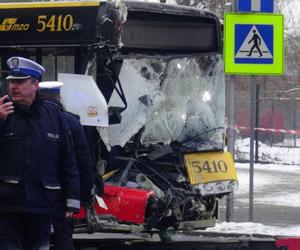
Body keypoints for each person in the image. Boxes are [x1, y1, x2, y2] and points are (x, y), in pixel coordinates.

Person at [0, 57, 80, 250]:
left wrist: (72, 200)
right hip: (7, 206)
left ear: (35, 84)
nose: (14, 87)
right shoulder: (3, 112)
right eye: (11, 82)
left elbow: (67, 159)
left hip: (42, 206)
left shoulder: (54, 116)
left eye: (20, 82)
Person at [39, 81, 94, 250]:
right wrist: (84, 194)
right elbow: (84, 161)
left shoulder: (33, 120)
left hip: (38, 191)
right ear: (59, 97)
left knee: (37, 236)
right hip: (64, 192)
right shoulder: (72, 121)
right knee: (64, 236)